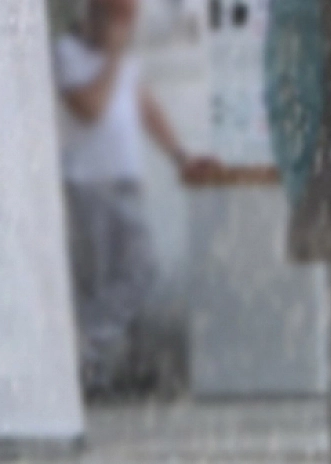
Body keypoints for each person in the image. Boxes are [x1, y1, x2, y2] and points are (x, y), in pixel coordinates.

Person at [55, 0, 217, 395]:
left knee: (134, 271)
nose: (125, 28)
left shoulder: (122, 60)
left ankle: (88, 353)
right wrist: (112, 55)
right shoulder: (68, 53)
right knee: (119, 274)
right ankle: (86, 353)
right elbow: (90, 108)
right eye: (119, 18)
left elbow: (144, 106)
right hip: (90, 182)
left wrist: (179, 155)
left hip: (123, 182)